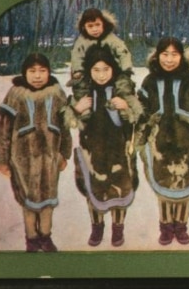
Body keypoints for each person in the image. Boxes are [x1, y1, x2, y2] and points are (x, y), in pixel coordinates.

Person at [63, 44, 143, 247]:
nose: (101, 75)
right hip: (93, 151)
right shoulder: (83, 93)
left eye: (106, 69)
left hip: (119, 151)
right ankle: (97, 227)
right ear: (89, 71)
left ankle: (118, 228)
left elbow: (139, 117)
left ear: (113, 70)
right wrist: (76, 109)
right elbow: (65, 118)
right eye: (96, 70)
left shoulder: (124, 92)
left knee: (120, 190)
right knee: (94, 189)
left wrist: (126, 108)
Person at [137, 37, 189, 246]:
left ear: (181, 56)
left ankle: (181, 226)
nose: (169, 60)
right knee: (163, 185)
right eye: (165, 54)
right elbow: (140, 111)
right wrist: (140, 136)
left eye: (174, 55)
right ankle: (165, 226)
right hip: (159, 144)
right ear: (157, 56)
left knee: (185, 184)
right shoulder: (150, 81)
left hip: (187, 142)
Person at [0, 53, 72, 252]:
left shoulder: (56, 94)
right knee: (28, 201)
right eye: (32, 71)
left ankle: (45, 237)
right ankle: (31, 238)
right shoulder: (16, 94)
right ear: (25, 73)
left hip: (50, 159)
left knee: (48, 201)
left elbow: (65, 127)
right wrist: (2, 160)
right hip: (23, 160)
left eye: (42, 71)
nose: (37, 76)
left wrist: (65, 153)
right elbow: (4, 129)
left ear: (49, 72)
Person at [67, 8, 136, 121]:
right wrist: (78, 70)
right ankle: (85, 109)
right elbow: (76, 56)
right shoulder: (82, 40)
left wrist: (126, 69)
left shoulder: (111, 38)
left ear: (103, 24)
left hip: (113, 72)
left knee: (123, 85)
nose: (95, 29)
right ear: (84, 27)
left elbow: (123, 52)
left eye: (97, 25)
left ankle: (124, 108)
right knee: (80, 87)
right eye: (90, 26)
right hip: (89, 74)